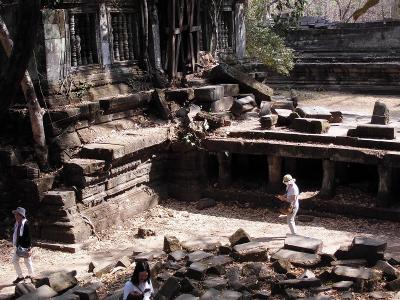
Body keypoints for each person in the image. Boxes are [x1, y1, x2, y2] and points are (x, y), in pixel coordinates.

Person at [11, 207, 34, 284]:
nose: (16, 216)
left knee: (27, 261)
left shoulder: (26, 224)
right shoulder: (17, 224)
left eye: (17, 215)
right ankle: (20, 277)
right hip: (18, 246)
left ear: (21, 215)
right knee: (14, 261)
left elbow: (30, 237)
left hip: (26, 247)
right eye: (15, 215)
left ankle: (31, 276)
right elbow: (16, 235)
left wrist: (30, 249)